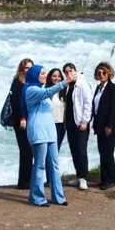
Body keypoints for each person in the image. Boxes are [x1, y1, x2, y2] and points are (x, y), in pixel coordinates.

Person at [22, 65, 76, 206]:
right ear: (35, 75)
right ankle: (37, 197)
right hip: (38, 131)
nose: (45, 76)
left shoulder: (40, 89)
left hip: (50, 132)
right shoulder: (30, 90)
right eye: (43, 73)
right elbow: (48, 92)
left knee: (54, 164)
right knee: (40, 165)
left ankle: (58, 196)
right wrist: (65, 82)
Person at [62, 63, 94, 190]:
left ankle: (83, 178)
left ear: (75, 70)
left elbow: (88, 104)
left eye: (70, 71)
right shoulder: (68, 86)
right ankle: (78, 175)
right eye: (66, 72)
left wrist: (85, 121)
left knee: (81, 150)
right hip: (70, 123)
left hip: (80, 123)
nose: (69, 74)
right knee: (74, 150)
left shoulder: (82, 84)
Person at [92, 62, 115, 190]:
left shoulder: (113, 88)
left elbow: (114, 108)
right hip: (99, 125)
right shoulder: (98, 88)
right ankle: (107, 178)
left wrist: (109, 125)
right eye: (99, 73)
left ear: (109, 73)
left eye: (104, 72)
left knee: (107, 152)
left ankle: (109, 180)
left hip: (110, 126)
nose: (101, 75)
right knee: (102, 152)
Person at [10, 58, 34, 189]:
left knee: (28, 150)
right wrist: (22, 118)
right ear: (21, 69)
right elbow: (16, 103)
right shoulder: (18, 82)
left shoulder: (30, 83)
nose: (29, 70)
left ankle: (26, 179)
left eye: (31, 67)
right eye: (26, 68)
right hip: (21, 121)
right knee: (26, 150)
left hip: (29, 120)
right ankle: (24, 181)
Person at [45, 68, 66, 149]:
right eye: (54, 76)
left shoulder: (64, 91)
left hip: (61, 125)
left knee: (56, 149)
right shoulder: (46, 92)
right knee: (49, 149)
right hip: (50, 124)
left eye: (59, 76)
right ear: (50, 77)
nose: (57, 78)